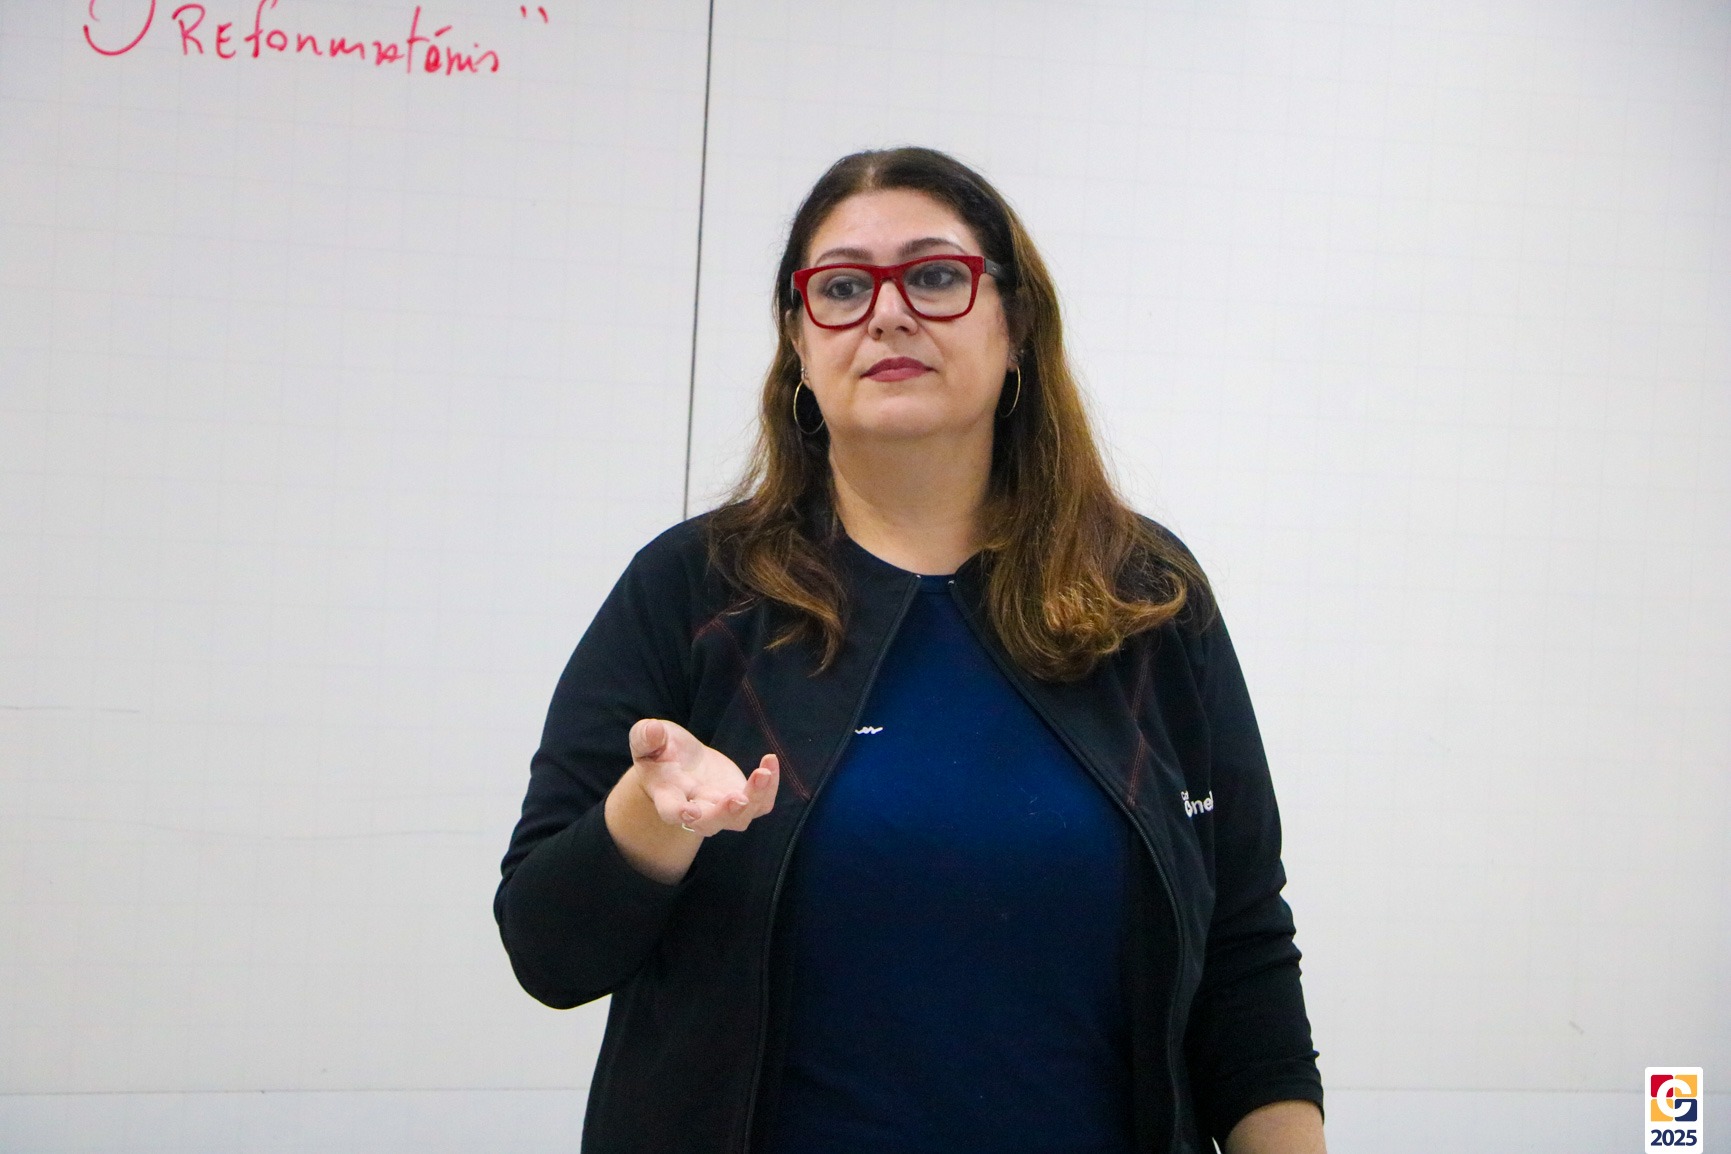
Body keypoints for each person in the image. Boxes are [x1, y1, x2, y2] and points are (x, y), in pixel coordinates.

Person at [495, 146, 1326, 1154]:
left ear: (1016, 325)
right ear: (799, 342)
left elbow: (1244, 952)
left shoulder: (1145, 595)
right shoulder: (694, 590)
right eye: (842, 287)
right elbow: (548, 952)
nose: (887, 314)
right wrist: (651, 816)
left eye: (934, 276)